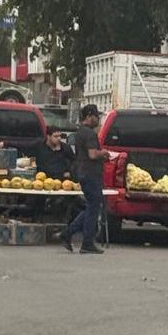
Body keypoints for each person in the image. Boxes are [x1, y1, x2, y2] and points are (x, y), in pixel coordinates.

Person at [60, 104, 110, 255]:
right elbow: (92, 154)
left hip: (83, 173)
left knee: (91, 206)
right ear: (89, 116)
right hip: (91, 173)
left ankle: (68, 233)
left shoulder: (80, 132)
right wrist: (104, 153)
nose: (98, 120)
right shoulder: (89, 134)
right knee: (94, 206)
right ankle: (87, 242)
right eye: (96, 116)